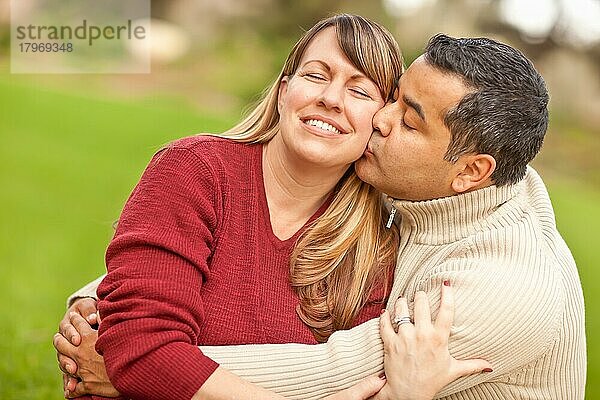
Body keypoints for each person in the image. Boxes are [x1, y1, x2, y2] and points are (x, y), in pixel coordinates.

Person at [59, 31, 585, 399]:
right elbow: (233, 247)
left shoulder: (506, 290)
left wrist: (131, 360)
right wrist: (110, 296)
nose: (377, 119)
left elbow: (333, 377)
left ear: (472, 171)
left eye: (409, 121)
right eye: (393, 98)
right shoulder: (429, 196)